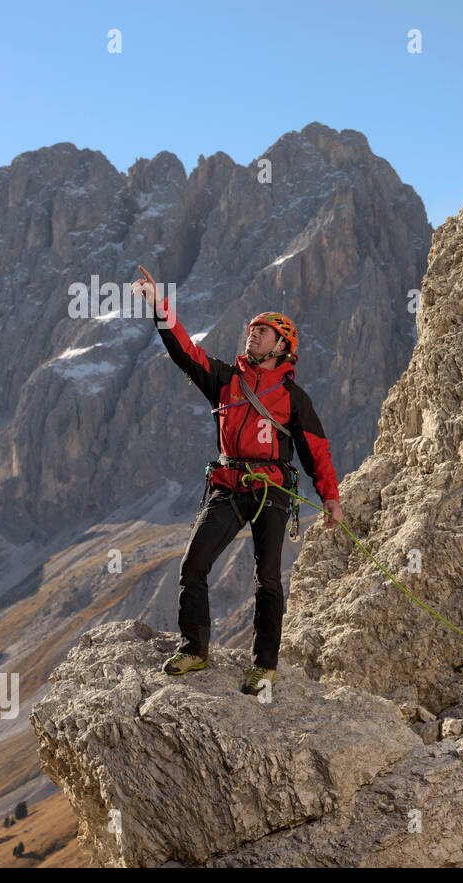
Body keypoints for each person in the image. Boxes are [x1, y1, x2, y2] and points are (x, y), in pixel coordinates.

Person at [131, 266, 343, 694]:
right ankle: (195, 649)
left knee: (268, 578)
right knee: (193, 564)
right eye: (252, 330)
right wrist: (159, 306)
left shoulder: (294, 399)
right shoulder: (226, 379)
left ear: (283, 346)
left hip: (272, 491)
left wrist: (331, 498)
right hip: (228, 486)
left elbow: (316, 450)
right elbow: (185, 351)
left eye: (263, 332)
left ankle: (264, 667)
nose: (253, 335)